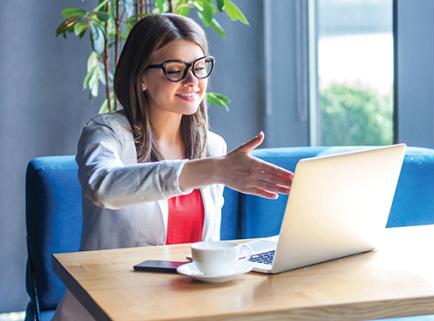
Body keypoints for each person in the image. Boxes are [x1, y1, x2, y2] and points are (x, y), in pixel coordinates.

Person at [52, 13, 293, 320]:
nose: (193, 81)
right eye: (175, 70)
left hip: (186, 309)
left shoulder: (211, 146)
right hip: (112, 306)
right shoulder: (107, 133)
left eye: (200, 67)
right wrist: (212, 169)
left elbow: (206, 249)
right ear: (141, 78)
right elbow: (103, 186)